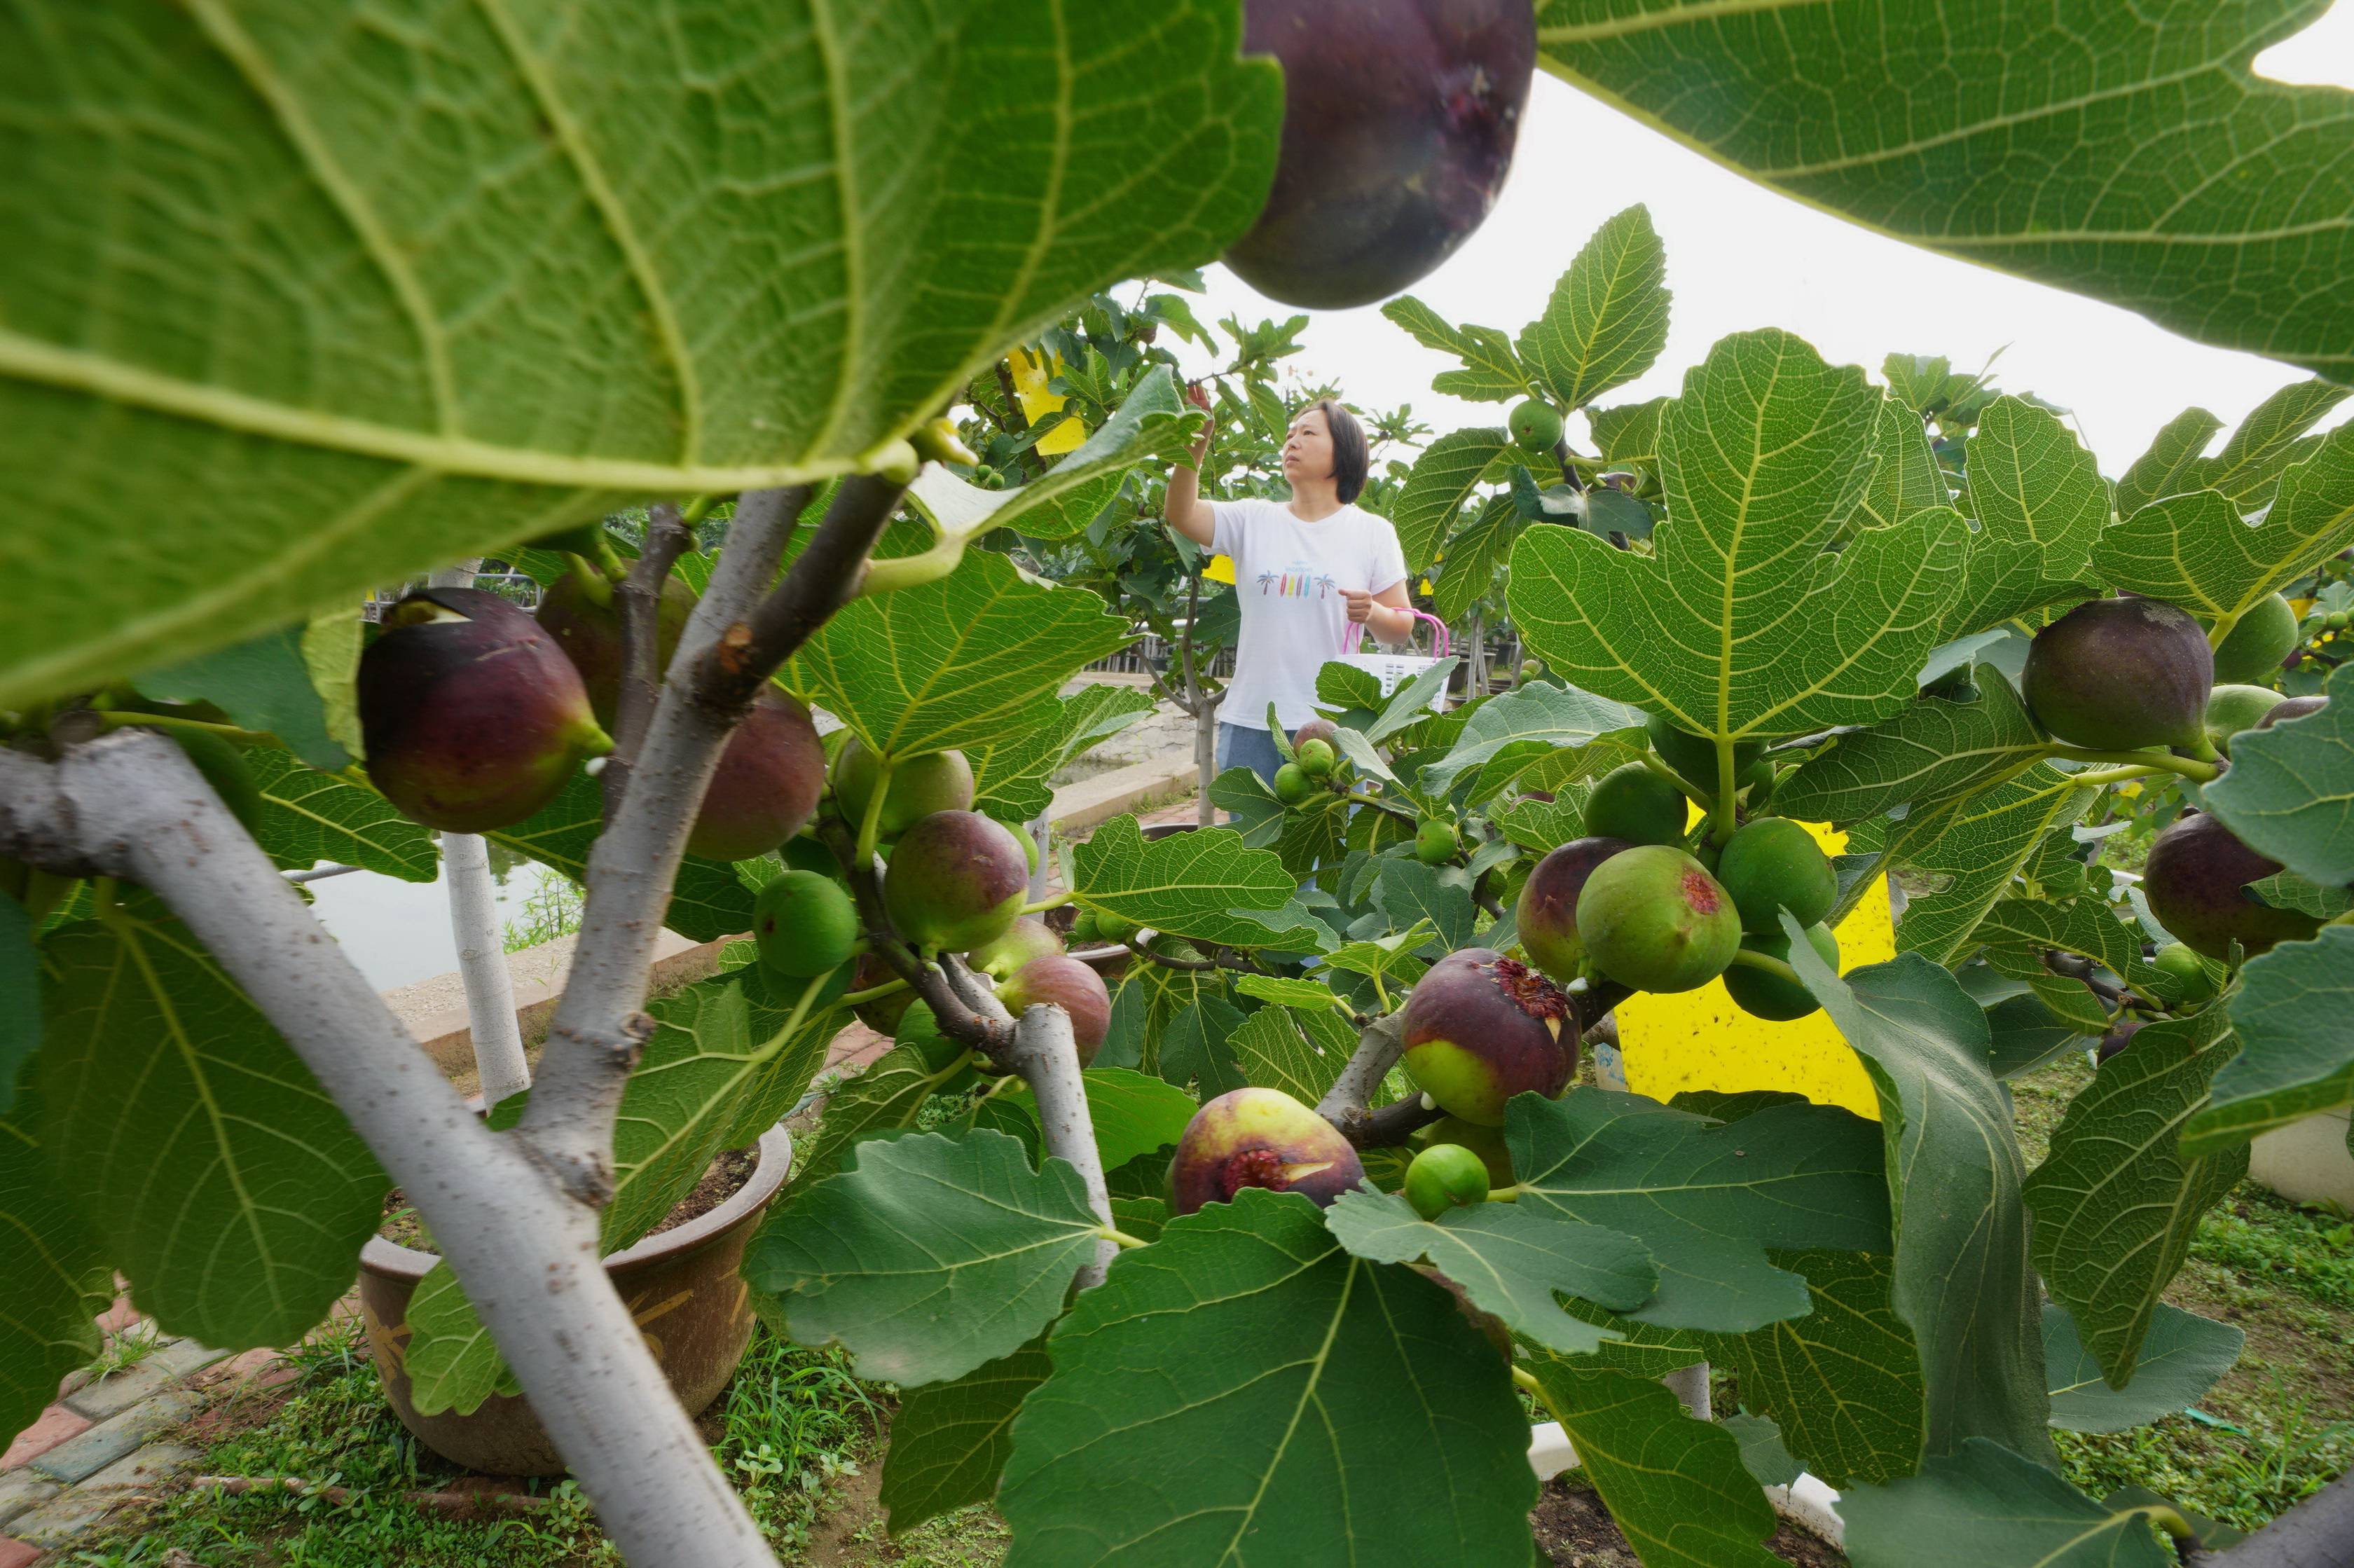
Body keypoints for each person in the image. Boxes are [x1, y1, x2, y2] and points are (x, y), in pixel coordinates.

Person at [1164, 388, 1415, 786]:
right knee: (1253, 847)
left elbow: (1401, 626)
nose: (1293, 441)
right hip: (1251, 720)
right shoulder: (1253, 519)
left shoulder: (1372, 532)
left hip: (1334, 728)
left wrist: (1373, 612)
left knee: (1329, 847)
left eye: (1309, 433)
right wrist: (1195, 441)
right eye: (1290, 434)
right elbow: (1181, 514)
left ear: (1343, 451)